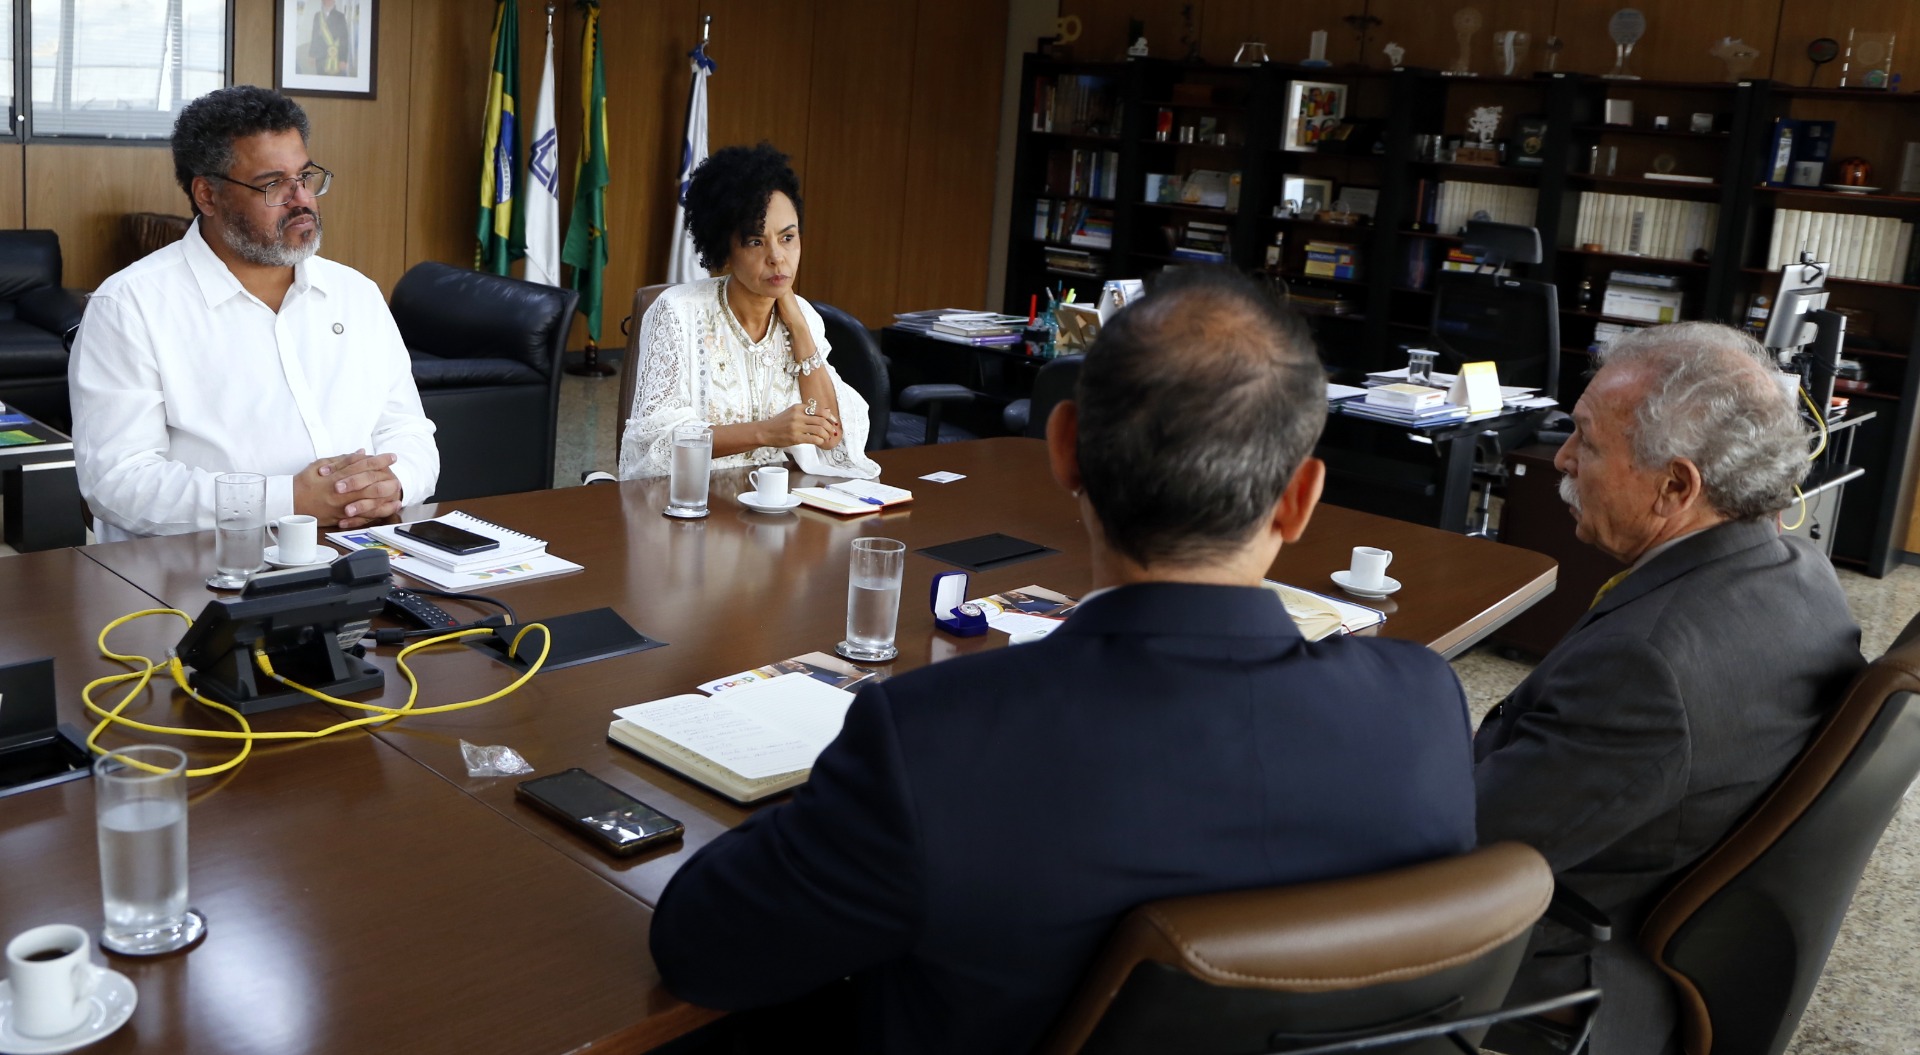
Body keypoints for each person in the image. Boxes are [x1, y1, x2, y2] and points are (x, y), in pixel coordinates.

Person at [650, 268, 1479, 1053]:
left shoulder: (936, 743)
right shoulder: (1424, 709)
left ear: (1064, 449)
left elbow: (699, 945)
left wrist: (838, 799)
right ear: (1300, 499)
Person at [1474, 322, 1865, 1054]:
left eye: (1587, 441)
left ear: (1676, 486)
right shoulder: (1802, 571)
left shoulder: (1645, 666)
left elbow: (1467, 842)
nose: (1562, 457)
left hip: (1556, 954)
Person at [70, 86, 436, 541]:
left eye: (305, 176)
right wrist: (289, 500)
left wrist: (392, 485)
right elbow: (118, 483)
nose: (302, 200)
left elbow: (408, 430)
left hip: (358, 550)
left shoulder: (355, 293)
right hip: (197, 567)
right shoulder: (129, 306)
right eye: (273, 184)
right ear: (208, 195)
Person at [618, 142, 878, 480]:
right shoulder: (677, 313)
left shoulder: (804, 317)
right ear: (724, 250)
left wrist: (799, 328)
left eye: (787, 238)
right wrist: (765, 432)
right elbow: (655, 445)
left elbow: (830, 438)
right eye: (756, 242)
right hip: (692, 497)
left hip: (778, 501)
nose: (777, 257)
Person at [309, 0, 351, 77]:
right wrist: (312, 54)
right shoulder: (317, 16)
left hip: (336, 56)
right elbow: (314, 36)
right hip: (320, 57)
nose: (327, 1)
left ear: (334, 1)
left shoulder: (340, 16)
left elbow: (344, 39)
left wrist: (343, 59)